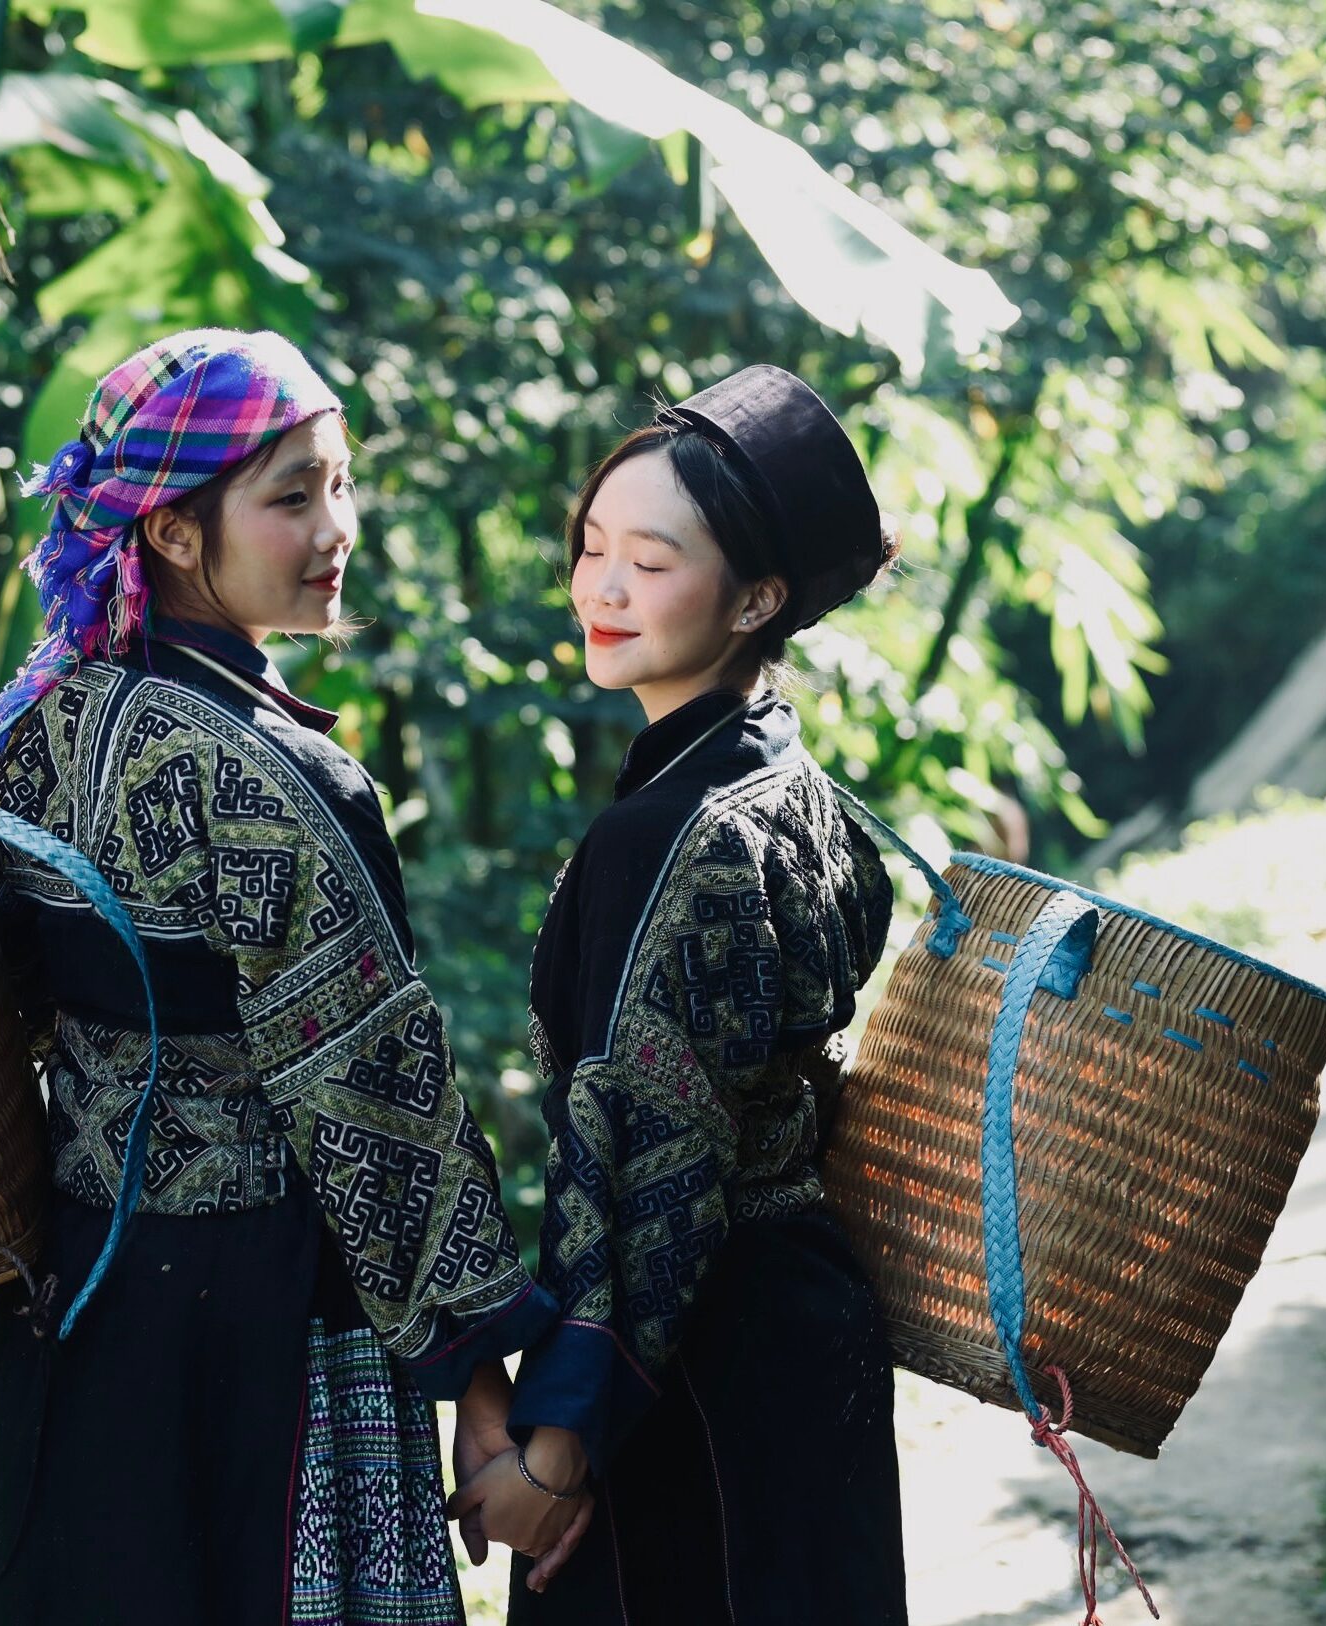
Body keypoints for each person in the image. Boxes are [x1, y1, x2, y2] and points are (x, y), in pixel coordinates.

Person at [0, 329, 554, 1626]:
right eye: (290, 495)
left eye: (339, 481)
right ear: (169, 533)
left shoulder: (30, 728)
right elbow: (380, 1099)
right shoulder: (279, 778)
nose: (337, 526)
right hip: (262, 1330)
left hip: (82, 1311)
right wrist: (480, 1375)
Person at [447, 366, 907, 1623]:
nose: (601, 589)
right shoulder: (796, 782)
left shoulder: (667, 831)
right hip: (802, 1332)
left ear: (757, 596)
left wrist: (558, 1446)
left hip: (698, 1361)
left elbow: (652, 1168)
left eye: (649, 563)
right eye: (593, 548)